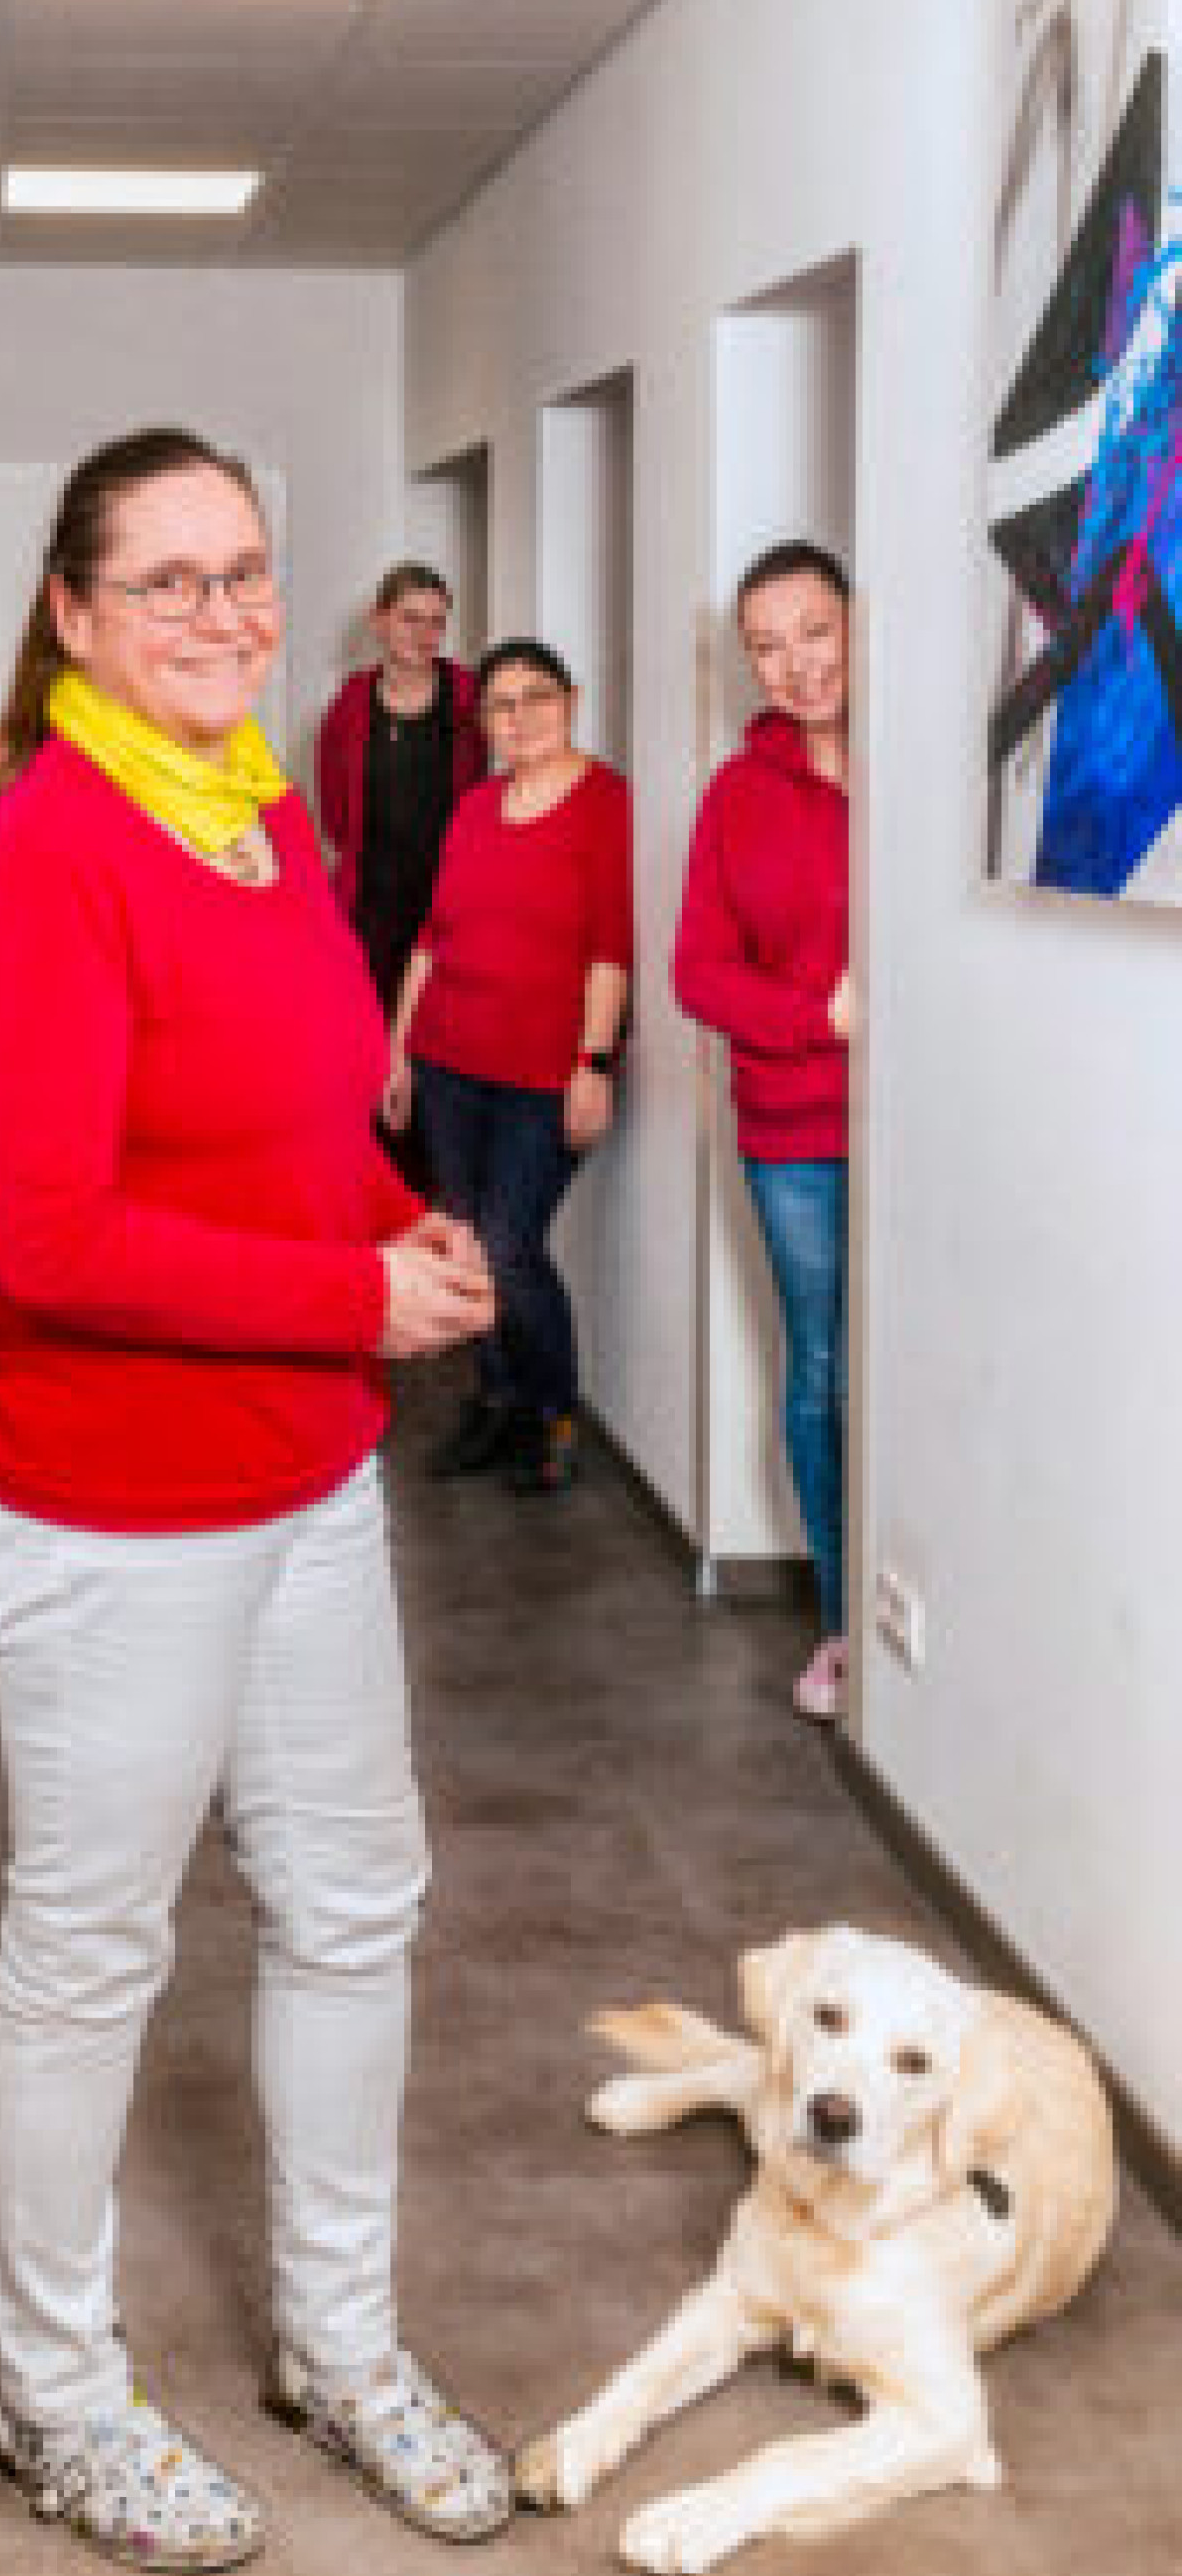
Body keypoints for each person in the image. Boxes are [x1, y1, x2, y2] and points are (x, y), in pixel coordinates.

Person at [0, 429, 510, 2572]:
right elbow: (45, 1240)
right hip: (105, 1503)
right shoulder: (46, 854)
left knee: (353, 1903)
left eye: (242, 570)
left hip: (303, 1469)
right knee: (93, 1950)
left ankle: (336, 2349)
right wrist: (351, 1296)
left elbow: (292, 1115)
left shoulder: (257, 809)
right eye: (163, 580)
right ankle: (58, 2396)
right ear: (72, 614)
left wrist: (385, 1221)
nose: (217, 612)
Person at [673, 540, 854, 1723]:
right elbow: (697, 971)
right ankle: (844, 1626)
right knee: (821, 1368)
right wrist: (813, 1019)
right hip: (794, 1129)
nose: (795, 665)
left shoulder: (925, 766)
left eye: (813, 632)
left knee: (924, 1361)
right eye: (765, 647)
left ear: (856, 623)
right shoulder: (736, 795)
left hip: (926, 1123)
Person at [384, 638, 633, 1492]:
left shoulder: (605, 803)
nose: (520, 717)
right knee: (463, 1240)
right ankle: (496, 1402)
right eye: (501, 704)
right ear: (483, 722)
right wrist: (398, 1052)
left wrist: (593, 1062)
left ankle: (553, 1413)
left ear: (572, 700)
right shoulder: (474, 810)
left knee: (510, 1244)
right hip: (448, 1058)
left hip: (543, 1074)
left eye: (537, 697)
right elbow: (431, 938)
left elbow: (611, 947)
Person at [314, 563, 485, 1018]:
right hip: (371, 904)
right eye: (411, 618)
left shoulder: (468, 696)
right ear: (379, 620)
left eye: (437, 622)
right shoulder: (350, 703)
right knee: (367, 1022)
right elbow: (335, 811)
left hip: (449, 898)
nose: (425, 634)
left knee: (440, 1026)